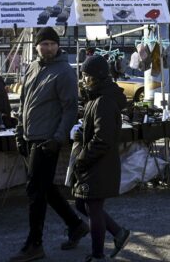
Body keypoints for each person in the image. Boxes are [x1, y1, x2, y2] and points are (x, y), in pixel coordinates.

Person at [10, 27, 89, 262]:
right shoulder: (33, 67)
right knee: (43, 186)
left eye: (52, 44)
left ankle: (35, 244)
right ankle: (75, 225)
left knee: (35, 190)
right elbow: (24, 102)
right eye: (44, 43)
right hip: (30, 136)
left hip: (47, 140)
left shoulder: (64, 72)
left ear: (58, 46)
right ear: (37, 46)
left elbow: (70, 109)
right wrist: (20, 130)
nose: (48, 48)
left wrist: (57, 138)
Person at [72, 56, 131, 261]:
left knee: (93, 207)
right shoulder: (96, 97)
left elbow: (102, 139)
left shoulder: (103, 101)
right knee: (82, 204)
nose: (83, 79)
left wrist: (82, 157)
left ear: (95, 77)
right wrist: (81, 134)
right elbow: (95, 131)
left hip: (99, 162)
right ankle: (118, 233)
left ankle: (98, 255)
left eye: (86, 75)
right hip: (96, 160)